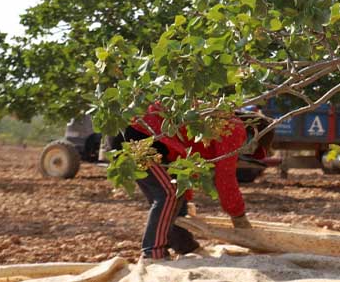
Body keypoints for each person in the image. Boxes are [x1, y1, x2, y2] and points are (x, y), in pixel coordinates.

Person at [109, 104, 254, 261]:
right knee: (169, 193)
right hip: (138, 139)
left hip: (140, 136)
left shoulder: (217, 116)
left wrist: (187, 195)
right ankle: (152, 253)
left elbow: (185, 163)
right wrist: (238, 215)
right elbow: (225, 176)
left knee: (176, 193)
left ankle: (184, 245)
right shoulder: (235, 127)